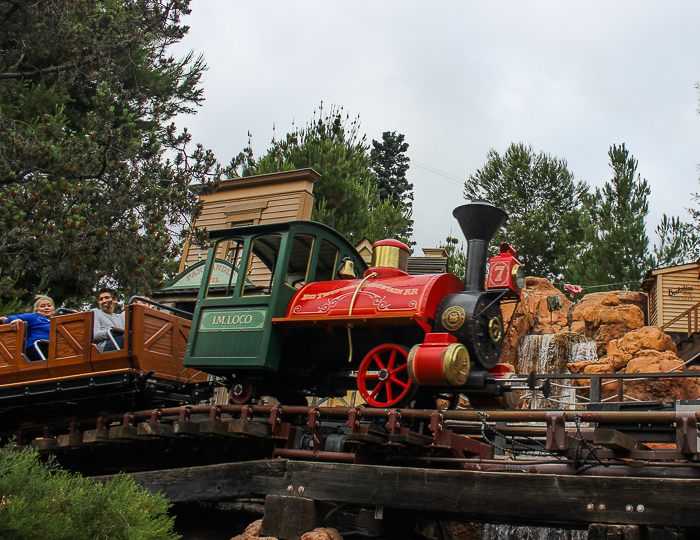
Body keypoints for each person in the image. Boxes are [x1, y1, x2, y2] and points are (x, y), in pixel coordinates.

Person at [0, 295, 55, 361]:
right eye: (42, 306)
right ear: (37, 310)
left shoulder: (56, 321)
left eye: (49, 306)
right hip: (38, 347)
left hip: (54, 346)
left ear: (53, 309)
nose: (46, 308)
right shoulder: (36, 317)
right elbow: (13, 317)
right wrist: (15, 320)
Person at [92, 288, 125, 352]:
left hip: (121, 342)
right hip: (104, 345)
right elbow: (93, 335)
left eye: (107, 298)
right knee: (127, 338)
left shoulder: (120, 317)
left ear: (115, 300)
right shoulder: (96, 313)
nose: (104, 301)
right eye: (101, 299)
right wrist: (111, 332)